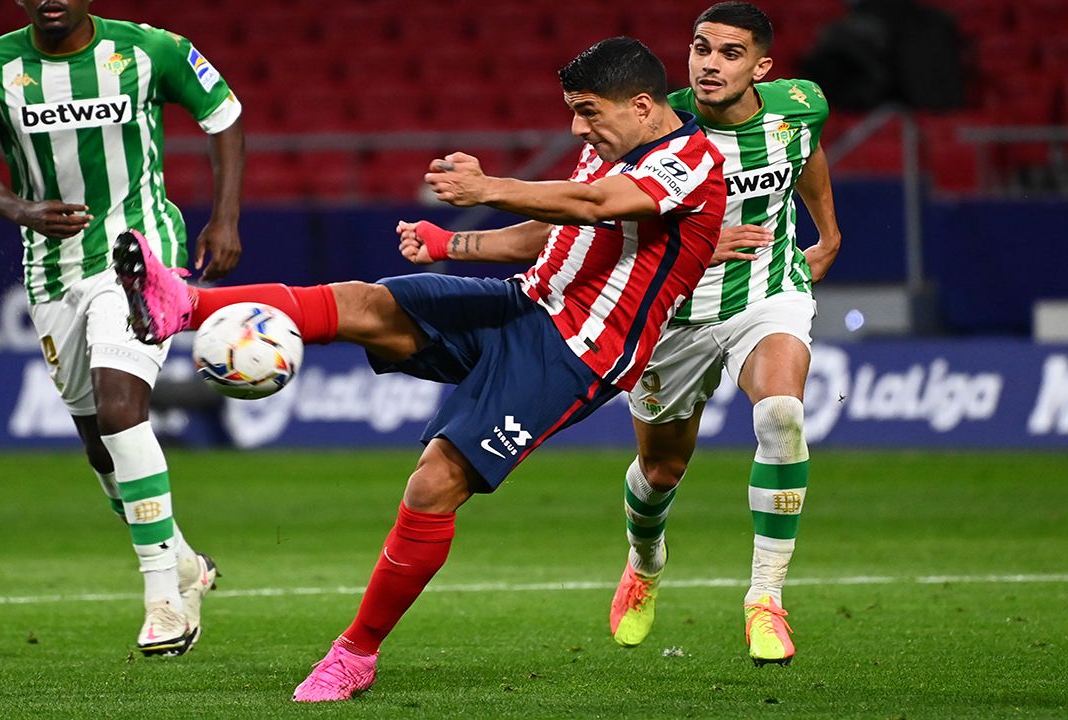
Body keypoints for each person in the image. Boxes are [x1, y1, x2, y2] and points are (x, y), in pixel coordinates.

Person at [115, 37, 726, 700]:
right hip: (523, 303)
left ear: (641, 105)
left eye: (588, 112)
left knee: (434, 483)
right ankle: (182, 303)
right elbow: (557, 231)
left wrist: (486, 186)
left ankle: (355, 653)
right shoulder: (610, 147)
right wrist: (449, 243)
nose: (578, 127)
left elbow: (597, 206)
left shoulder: (692, 163)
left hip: (576, 351)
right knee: (364, 303)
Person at [399, 2, 840, 667]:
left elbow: (803, 151)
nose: (709, 64)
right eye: (700, 48)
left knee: (781, 415)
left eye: (728, 53)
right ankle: (644, 561)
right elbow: (579, 217)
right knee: (661, 469)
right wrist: (456, 242)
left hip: (767, 295)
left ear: (761, 65)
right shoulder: (652, 126)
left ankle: (765, 598)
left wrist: (827, 233)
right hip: (670, 317)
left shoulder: (800, 105)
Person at [0, 0, 245, 656]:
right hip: (52, 271)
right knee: (97, 443)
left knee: (119, 409)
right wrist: (24, 209)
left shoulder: (150, 50)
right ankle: (186, 561)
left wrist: (225, 218)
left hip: (139, 249)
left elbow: (223, 115)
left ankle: (165, 599)